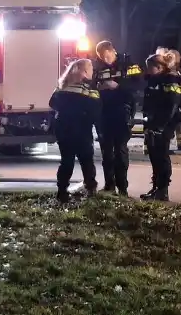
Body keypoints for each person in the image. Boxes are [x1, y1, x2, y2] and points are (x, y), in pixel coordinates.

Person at [92, 40, 144, 195]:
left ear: (113, 51)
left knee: (120, 149)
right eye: (102, 58)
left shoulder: (128, 65)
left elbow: (139, 84)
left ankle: (122, 188)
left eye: (107, 56)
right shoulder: (98, 67)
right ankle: (109, 185)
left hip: (123, 110)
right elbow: (92, 84)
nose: (105, 60)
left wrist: (119, 86)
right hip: (103, 112)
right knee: (106, 151)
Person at [49, 58, 100, 203]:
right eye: (90, 70)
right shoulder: (88, 88)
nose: (92, 72)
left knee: (66, 161)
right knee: (86, 160)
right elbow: (96, 109)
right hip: (81, 128)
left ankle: (62, 192)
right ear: (84, 72)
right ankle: (91, 189)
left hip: (63, 128)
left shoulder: (62, 86)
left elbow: (52, 103)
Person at [140, 51, 181, 201]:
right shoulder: (158, 79)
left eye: (150, 68)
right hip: (155, 124)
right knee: (155, 156)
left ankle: (162, 190)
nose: (148, 71)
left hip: (164, 125)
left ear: (158, 67)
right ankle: (156, 188)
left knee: (161, 156)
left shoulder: (170, 79)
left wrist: (160, 126)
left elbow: (171, 105)